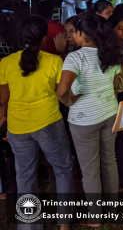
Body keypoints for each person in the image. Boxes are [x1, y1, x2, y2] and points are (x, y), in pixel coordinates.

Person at [0, 16, 74, 230]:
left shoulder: (6, 63)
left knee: (25, 177)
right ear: (44, 39)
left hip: (18, 126)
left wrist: (3, 123)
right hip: (48, 122)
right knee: (63, 169)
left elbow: (3, 100)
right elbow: (64, 92)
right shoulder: (54, 61)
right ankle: (64, 224)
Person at [57, 13, 123, 226]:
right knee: (109, 161)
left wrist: (69, 102)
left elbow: (62, 91)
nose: (71, 35)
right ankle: (112, 210)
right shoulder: (111, 54)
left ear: (82, 33)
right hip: (109, 112)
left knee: (90, 168)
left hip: (84, 119)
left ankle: (95, 217)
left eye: (73, 31)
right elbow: (115, 86)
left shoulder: (75, 57)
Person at [108, 12, 123, 193]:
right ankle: (122, 180)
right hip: (119, 97)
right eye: (120, 28)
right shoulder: (110, 50)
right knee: (119, 141)